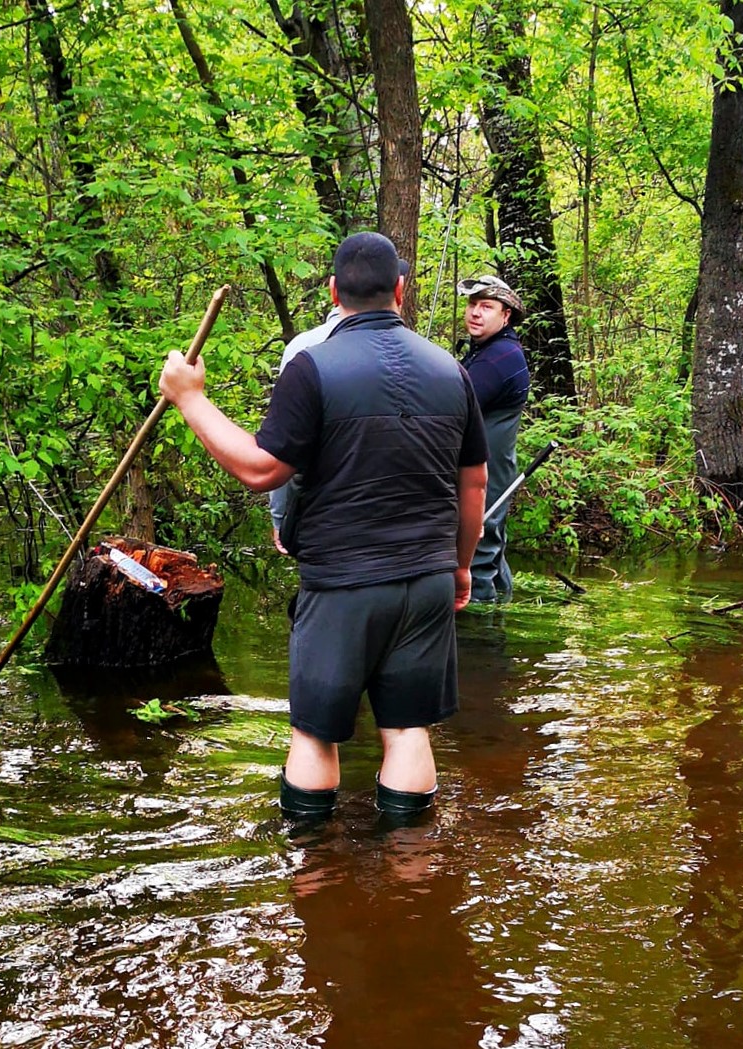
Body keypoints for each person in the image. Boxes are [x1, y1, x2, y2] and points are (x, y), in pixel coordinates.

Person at [159, 232, 489, 820]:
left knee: (314, 734)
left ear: (335, 292)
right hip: (429, 577)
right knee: (408, 728)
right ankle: (412, 886)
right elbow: (474, 486)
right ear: (401, 292)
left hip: (343, 584)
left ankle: (315, 878)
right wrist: (461, 564)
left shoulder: (312, 367)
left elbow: (263, 470)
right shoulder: (451, 370)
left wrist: (191, 400)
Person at [455, 274, 530, 603]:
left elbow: (452, 408)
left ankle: (479, 638)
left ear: (506, 315)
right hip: (486, 470)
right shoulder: (485, 351)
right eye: (472, 305)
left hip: (488, 475)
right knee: (490, 550)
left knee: (479, 554)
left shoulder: (500, 359)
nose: (475, 312)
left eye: (486, 306)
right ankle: (500, 617)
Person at [268, 306, 342, 554]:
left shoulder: (301, 348)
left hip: (316, 513)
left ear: (335, 291)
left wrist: (279, 516)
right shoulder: (419, 356)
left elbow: (282, 446)